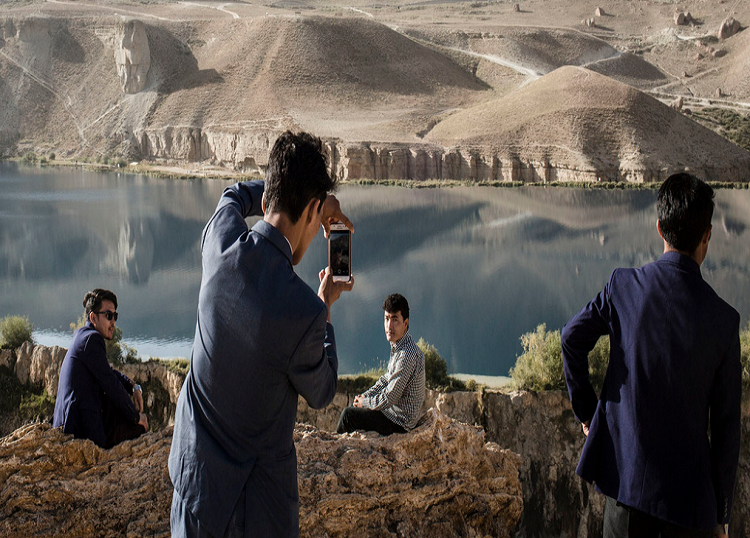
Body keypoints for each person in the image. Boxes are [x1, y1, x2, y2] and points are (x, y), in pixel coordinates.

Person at [169, 131, 355, 538]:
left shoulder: (218, 244)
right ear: (313, 211)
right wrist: (325, 306)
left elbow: (234, 195)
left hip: (191, 492)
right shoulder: (304, 312)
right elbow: (322, 390)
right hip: (252, 515)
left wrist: (280, 190)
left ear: (267, 200)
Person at [561, 173, 741, 538]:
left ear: (659, 228)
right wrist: (721, 516)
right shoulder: (724, 321)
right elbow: (726, 431)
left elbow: (570, 339)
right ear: (708, 234)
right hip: (691, 512)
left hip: (626, 492)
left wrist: (588, 414)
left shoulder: (623, 286)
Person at [53, 288, 149, 448]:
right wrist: (135, 418)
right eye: (108, 316)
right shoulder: (92, 339)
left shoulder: (82, 335)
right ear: (93, 317)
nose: (113, 322)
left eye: (115, 316)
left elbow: (108, 372)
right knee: (141, 427)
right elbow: (111, 384)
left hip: (74, 421)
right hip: (77, 431)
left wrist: (133, 386)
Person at [337, 293, 425, 436]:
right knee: (355, 409)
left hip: (399, 423)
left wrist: (365, 403)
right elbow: (386, 379)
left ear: (406, 323)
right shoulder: (400, 346)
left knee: (348, 415)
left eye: (395, 319)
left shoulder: (406, 355)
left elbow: (389, 398)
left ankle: (335, 449)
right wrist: (365, 396)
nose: (389, 326)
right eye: (386, 319)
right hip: (392, 414)